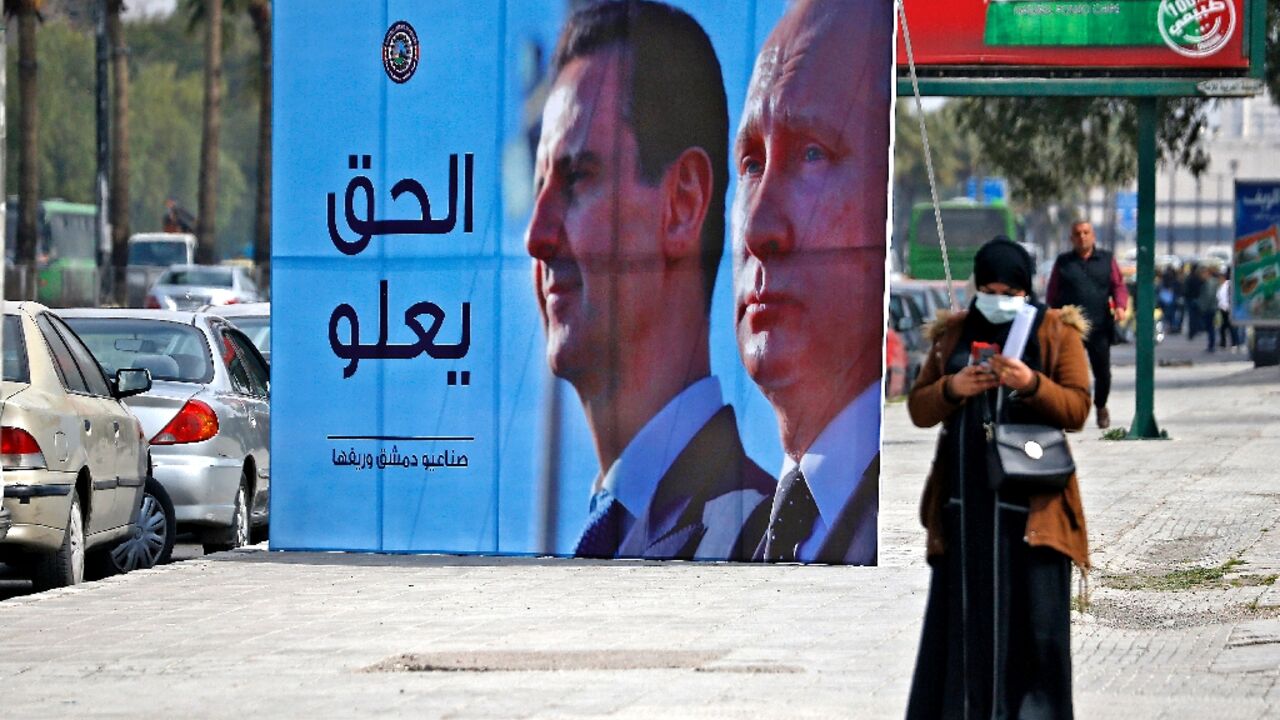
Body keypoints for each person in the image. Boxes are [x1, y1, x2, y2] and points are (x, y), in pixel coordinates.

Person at [524, 0, 773, 561]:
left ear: (682, 203)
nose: (536, 236)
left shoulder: (765, 539)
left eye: (577, 178)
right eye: (539, 188)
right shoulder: (616, 533)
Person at [905, 237, 1091, 720]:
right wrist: (953, 387)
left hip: (1033, 519)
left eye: (1009, 292)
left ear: (1026, 289)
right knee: (962, 634)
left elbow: (1077, 409)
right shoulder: (954, 334)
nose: (997, 300)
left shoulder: (1055, 332)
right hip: (965, 513)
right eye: (988, 291)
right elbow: (919, 408)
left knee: (1033, 637)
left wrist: (1030, 383)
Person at [731, 0, 890, 565]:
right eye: (751, 164)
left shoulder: (934, 512)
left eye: (812, 153)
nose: (759, 230)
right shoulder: (742, 530)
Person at [1046, 220, 1127, 429]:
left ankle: (1101, 406)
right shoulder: (1063, 262)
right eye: (1077, 233)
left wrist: (1120, 306)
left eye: (1086, 232)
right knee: (1067, 371)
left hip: (1099, 326)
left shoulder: (1106, 260)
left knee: (1103, 373)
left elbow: (1118, 285)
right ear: (1071, 238)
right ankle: (1069, 412)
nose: (1082, 237)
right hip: (1070, 328)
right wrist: (1051, 314)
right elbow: (1052, 292)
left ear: (1093, 236)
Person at [1199, 267, 1223, 352]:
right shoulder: (1213, 282)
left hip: (1210, 308)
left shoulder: (1209, 282)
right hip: (1213, 307)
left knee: (1210, 328)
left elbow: (1209, 296)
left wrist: (1203, 307)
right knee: (1211, 327)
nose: (1201, 276)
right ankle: (1211, 345)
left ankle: (1211, 345)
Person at [1217, 268, 1240, 352]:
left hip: (1228, 309)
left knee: (1231, 327)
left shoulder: (1228, 284)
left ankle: (1234, 344)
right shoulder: (1222, 286)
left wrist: (1229, 306)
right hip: (1223, 309)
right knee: (1224, 327)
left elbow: (1229, 297)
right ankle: (1224, 343)